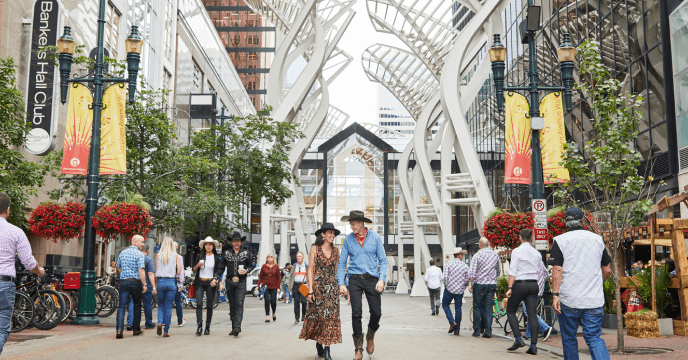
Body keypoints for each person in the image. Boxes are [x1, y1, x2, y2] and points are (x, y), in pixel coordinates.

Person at [550, 207, 612, 360]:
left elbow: (557, 269)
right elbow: (607, 269)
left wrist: (555, 295)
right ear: (583, 220)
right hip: (593, 299)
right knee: (594, 337)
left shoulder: (560, 240)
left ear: (566, 222)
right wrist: (598, 284)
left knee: (569, 339)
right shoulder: (597, 239)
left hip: (569, 298)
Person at [336, 210, 388, 360]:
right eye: (350, 223)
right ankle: (358, 348)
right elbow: (341, 264)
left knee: (376, 312)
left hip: (372, 278)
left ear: (361, 223)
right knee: (356, 313)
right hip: (355, 279)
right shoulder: (347, 240)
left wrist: (381, 279)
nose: (351, 226)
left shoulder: (375, 238)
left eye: (353, 223)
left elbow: (383, 261)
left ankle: (370, 335)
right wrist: (341, 283)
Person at [0, 193, 44, 355]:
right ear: (8, 210)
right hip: (4, 284)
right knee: (2, 327)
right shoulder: (16, 232)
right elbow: (28, 262)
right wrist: (39, 271)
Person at [300, 223, 342, 360]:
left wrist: (339, 286)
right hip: (317, 289)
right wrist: (310, 291)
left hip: (331, 291)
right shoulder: (314, 249)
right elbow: (310, 270)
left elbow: (336, 272)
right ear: (323, 234)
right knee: (319, 319)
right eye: (330, 232)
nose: (332, 235)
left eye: (333, 233)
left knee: (329, 319)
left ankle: (327, 348)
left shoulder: (336, 251)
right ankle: (319, 343)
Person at [505, 229, 547, 355]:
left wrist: (510, 288)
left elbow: (513, 271)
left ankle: (518, 339)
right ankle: (533, 346)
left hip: (520, 284)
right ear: (531, 239)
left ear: (520, 238)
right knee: (532, 314)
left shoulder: (517, 251)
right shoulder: (536, 253)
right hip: (533, 285)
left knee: (511, 311)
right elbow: (542, 271)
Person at [216, 232, 254, 336]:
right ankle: (234, 328)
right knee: (232, 305)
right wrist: (216, 278)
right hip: (229, 281)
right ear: (232, 242)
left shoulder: (247, 253)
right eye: (234, 241)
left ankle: (238, 326)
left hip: (241, 281)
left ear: (241, 242)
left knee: (239, 303)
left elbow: (251, 266)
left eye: (238, 241)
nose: (236, 243)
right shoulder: (226, 253)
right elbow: (221, 268)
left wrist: (247, 270)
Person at [115, 234, 148, 338]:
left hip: (124, 282)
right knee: (137, 305)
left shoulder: (122, 253)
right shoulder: (139, 254)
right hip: (135, 282)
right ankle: (136, 329)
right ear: (135, 242)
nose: (143, 244)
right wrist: (144, 284)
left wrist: (124, 275)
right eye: (141, 242)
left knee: (121, 306)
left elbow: (118, 267)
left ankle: (119, 330)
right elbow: (141, 270)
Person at [467, 237, 501, 338]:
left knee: (477, 306)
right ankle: (488, 331)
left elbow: (472, 273)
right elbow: (498, 270)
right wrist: (493, 278)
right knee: (489, 307)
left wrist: (470, 283)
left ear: (480, 245)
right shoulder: (495, 255)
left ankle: (477, 331)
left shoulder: (477, 256)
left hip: (480, 284)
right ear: (488, 244)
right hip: (491, 284)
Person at [193, 237, 221, 335]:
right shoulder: (200, 255)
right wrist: (197, 266)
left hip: (210, 283)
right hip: (200, 281)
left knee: (209, 305)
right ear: (204, 246)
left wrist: (216, 280)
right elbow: (194, 269)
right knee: (199, 303)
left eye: (210, 244)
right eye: (206, 244)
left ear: (213, 246)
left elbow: (219, 270)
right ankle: (199, 325)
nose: (208, 246)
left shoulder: (216, 258)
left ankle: (207, 326)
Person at [155, 237, 181, 337]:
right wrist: (172, 270)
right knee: (168, 307)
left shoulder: (158, 255)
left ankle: (160, 323)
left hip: (161, 281)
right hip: (171, 282)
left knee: (160, 305)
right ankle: (166, 331)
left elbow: (156, 271)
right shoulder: (176, 256)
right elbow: (178, 271)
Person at [127, 244, 156, 331]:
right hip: (146, 284)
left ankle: (130, 323)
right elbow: (150, 274)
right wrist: (154, 286)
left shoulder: (135, 258)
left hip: (135, 283)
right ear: (148, 251)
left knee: (132, 302)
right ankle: (148, 323)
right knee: (147, 304)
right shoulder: (148, 260)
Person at [442, 247, 469, 335]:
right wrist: (463, 287)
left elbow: (445, 277)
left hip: (449, 289)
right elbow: (467, 279)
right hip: (459, 291)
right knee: (458, 308)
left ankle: (452, 322)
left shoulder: (448, 264)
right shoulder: (465, 266)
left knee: (445, 305)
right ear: (460, 255)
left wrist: (446, 285)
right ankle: (457, 329)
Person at [257, 254, 281, 322]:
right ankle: (267, 316)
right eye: (268, 258)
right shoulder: (264, 266)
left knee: (273, 301)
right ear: (266, 259)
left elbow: (278, 278)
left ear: (273, 259)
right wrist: (258, 285)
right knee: (267, 300)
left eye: (271, 258)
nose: (270, 259)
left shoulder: (276, 266)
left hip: (274, 286)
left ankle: (273, 312)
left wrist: (278, 287)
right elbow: (260, 277)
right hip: (266, 286)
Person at [290, 251, 308, 324]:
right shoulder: (294, 266)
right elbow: (291, 277)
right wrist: (290, 286)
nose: (298, 258)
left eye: (300, 256)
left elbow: (310, 276)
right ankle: (297, 318)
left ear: (303, 258)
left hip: (303, 285)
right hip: (296, 285)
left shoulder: (306, 266)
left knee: (304, 301)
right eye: (297, 256)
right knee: (296, 302)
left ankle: (304, 315)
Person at [173, 242, 185, 327]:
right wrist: (181, 283)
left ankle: (163, 322)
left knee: (166, 303)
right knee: (178, 301)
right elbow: (181, 271)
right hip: (175, 280)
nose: (177, 248)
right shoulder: (179, 257)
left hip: (165, 280)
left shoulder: (163, 256)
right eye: (176, 246)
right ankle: (180, 321)